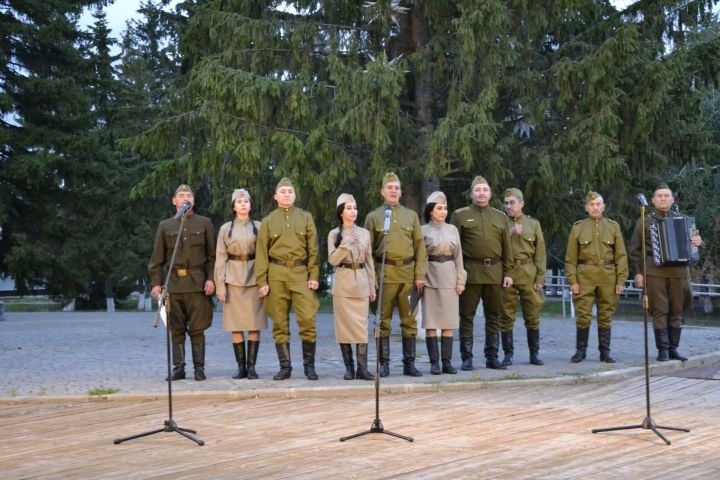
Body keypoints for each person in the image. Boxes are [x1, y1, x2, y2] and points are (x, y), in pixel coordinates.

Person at [148, 184, 216, 381]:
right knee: (175, 329)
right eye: (181, 195)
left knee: (197, 328)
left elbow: (212, 257)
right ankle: (179, 368)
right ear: (174, 201)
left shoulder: (204, 223)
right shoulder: (165, 226)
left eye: (189, 195)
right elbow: (156, 259)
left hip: (198, 284)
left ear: (193, 201)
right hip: (173, 284)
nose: (185, 197)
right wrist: (155, 283)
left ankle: (199, 369)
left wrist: (211, 279)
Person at [255, 177, 320, 380]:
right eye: (282, 191)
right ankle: (285, 367)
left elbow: (313, 250)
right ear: (276, 196)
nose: (286, 194)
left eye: (290, 191)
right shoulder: (268, 221)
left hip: (301, 275)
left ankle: (309, 367)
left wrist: (314, 275)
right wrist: (262, 282)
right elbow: (261, 254)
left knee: (308, 320)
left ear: (295, 195)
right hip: (276, 275)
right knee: (280, 323)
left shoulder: (305, 217)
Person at [364, 172, 428, 377]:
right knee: (383, 321)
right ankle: (384, 364)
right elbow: (368, 252)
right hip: (385, 275)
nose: (394, 191)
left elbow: (420, 247)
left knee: (409, 321)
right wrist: (372, 278)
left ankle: (409, 363)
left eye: (397, 188)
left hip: (408, 275)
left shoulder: (411, 216)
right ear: (382, 191)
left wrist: (420, 275)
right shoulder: (373, 217)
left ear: (401, 192)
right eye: (390, 187)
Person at [629, 183, 702, 362]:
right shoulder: (644, 220)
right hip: (654, 270)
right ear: (653, 200)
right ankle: (663, 349)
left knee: (677, 310)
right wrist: (638, 273)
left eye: (666, 196)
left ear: (672, 199)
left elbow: (694, 249)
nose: (663, 199)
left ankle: (673, 349)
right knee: (659, 310)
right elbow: (634, 250)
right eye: (659, 196)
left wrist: (698, 242)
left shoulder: (684, 220)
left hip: (679, 272)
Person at [450, 176, 513, 370]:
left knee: (494, 315)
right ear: (471, 194)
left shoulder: (500, 217)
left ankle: (492, 357)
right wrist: (457, 274)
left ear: (490, 194)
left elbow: (507, 247)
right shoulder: (460, 215)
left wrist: (508, 272)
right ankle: (466, 357)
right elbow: (455, 248)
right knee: (467, 316)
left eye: (485, 190)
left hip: (495, 272)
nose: (481, 194)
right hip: (471, 272)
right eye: (477, 190)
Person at [565, 191, 628, 363]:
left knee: (605, 315)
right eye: (591, 205)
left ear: (604, 207)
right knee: (583, 315)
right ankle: (581, 351)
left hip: (608, 277)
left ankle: (605, 352)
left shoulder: (613, 227)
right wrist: (573, 281)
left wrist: (621, 280)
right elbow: (570, 259)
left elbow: (621, 256)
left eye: (598, 204)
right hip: (584, 277)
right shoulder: (578, 227)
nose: (595, 207)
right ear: (586, 208)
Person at [214, 189, 266, 380]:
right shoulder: (225, 229)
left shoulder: (260, 227)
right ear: (233, 206)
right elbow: (220, 258)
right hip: (233, 277)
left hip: (254, 276)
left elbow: (265, 255)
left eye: (246, 201)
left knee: (254, 323)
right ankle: (240, 367)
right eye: (239, 201)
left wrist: (264, 282)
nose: (243, 204)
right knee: (235, 324)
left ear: (250, 205)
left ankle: (251, 367)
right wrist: (220, 286)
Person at [328, 193, 376, 381]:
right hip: (343, 284)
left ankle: (362, 368)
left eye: (355, 207)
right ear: (341, 212)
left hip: (362, 283)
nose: (353, 211)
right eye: (348, 208)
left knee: (361, 328)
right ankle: (349, 368)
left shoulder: (365, 233)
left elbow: (370, 261)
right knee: (344, 328)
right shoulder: (334, 234)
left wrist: (372, 286)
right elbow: (332, 260)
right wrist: (345, 244)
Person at [500, 188, 547, 367]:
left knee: (532, 315)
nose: (508, 206)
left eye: (512, 202)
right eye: (506, 203)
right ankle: (508, 354)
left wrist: (540, 279)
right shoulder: (501, 223)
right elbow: (497, 248)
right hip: (508, 275)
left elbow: (540, 253)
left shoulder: (533, 224)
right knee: (506, 316)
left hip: (528, 273)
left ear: (521, 203)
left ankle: (534, 354)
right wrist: (510, 235)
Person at [421, 191, 466, 375]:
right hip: (430, 276)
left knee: (448, 321)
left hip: (449, 276)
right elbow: (420, 256)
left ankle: (447, 362)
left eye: (445, 208)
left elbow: (459, 257)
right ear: (431, 211)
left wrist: (461, 279)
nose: (443, 211)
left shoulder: (452, 230)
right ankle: (434, 363)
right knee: (431, 322)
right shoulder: (423, 230)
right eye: (439, 208)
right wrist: (419, 277)